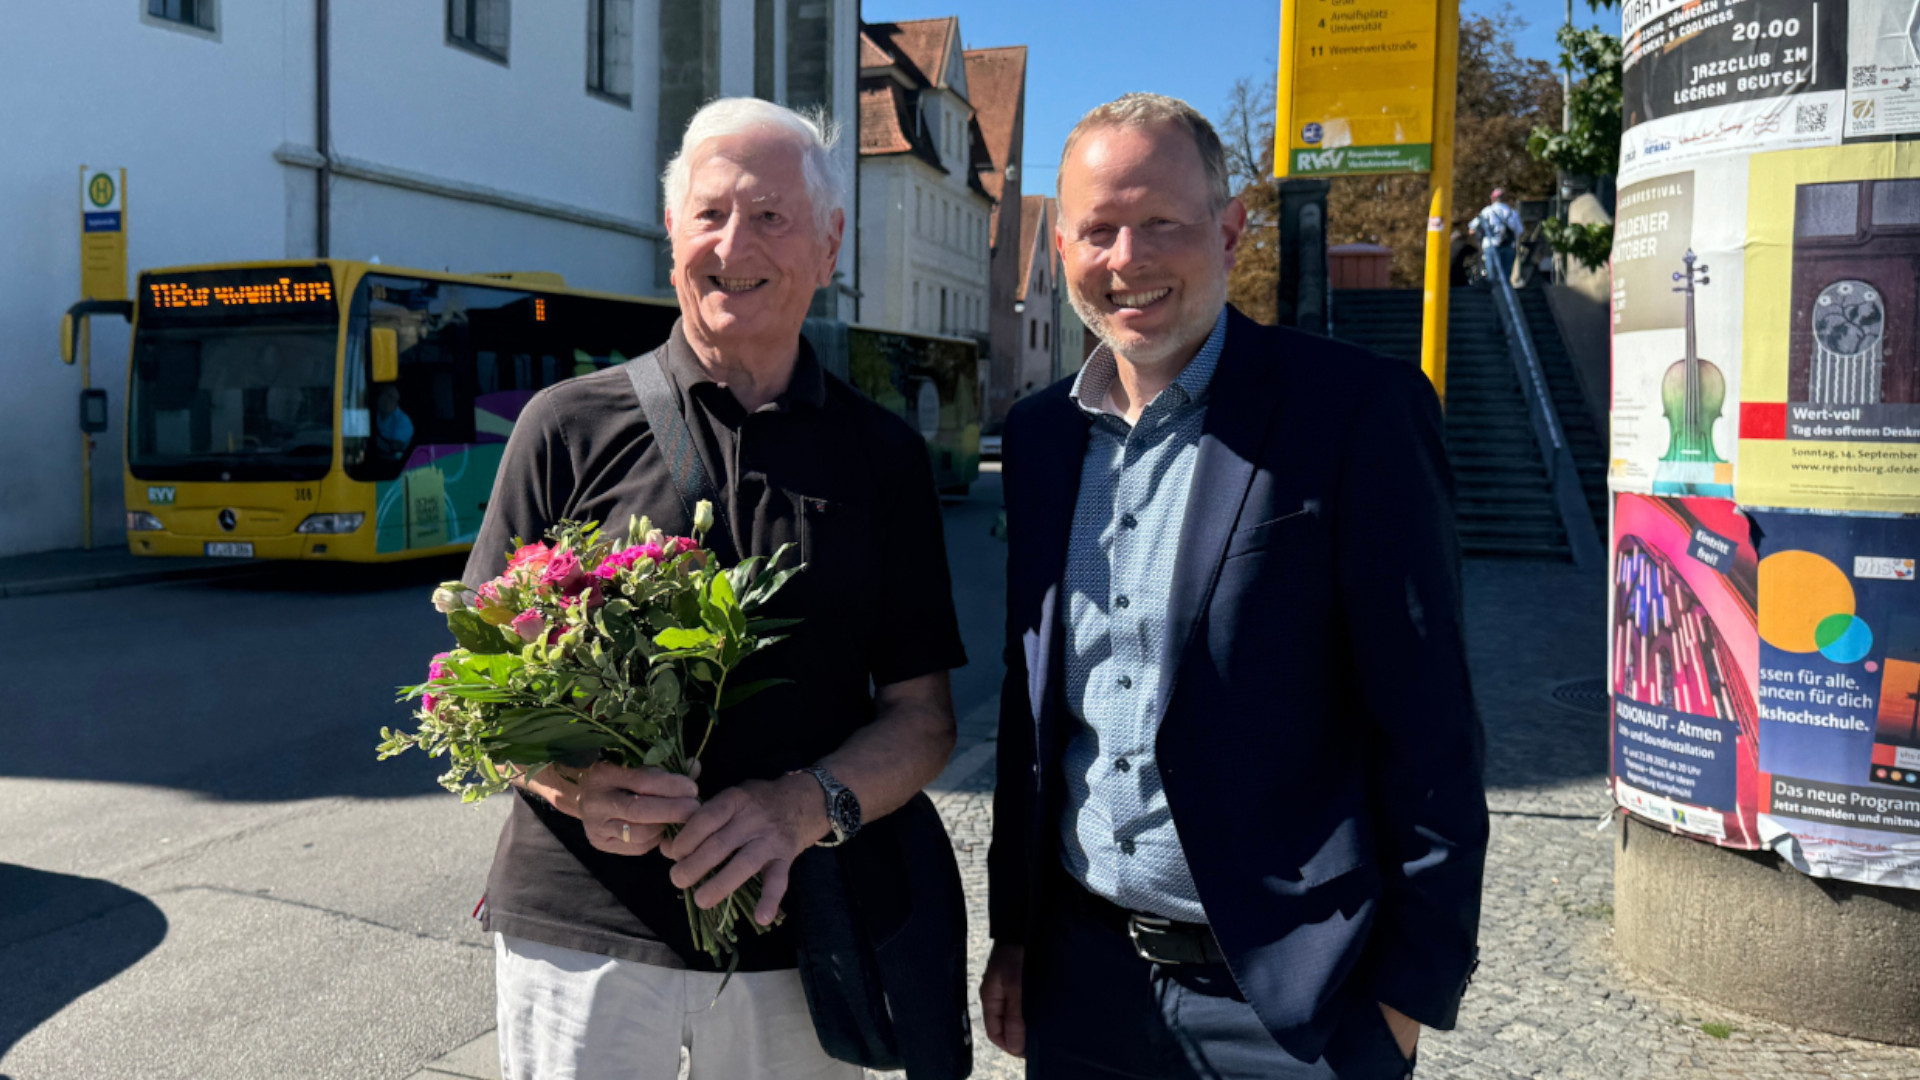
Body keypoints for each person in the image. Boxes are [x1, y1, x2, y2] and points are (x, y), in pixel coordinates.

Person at [980, 93, 1488, 1079]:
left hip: (1297, 1004)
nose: (1127, 258)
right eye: (1097, 229)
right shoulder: (1041, 439)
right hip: (1085, 982)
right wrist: (1018, 928)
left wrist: (1405, 994)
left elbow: (1431, 722)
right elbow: (1032, 708)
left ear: (1229, 225)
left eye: (1161, 222)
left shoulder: (1353, 413)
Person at [463, 97, 968, 1079]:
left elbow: (922, 718)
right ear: (670, 236)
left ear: (828, 244)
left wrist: (799, 807)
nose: (733, 243)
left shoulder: (885, 459)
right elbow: (479, 694)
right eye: (709, 214)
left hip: (799, 940)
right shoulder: (565, 426)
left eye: (771, 216)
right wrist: (570, 783)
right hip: (580, 930)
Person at [1469, 188, 1524, 286]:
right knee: (1506, 276)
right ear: (1505, 199)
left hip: (1491, 245)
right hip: (1508, 246)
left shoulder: (1487, 211)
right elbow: (1519, 231)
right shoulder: (1512, 213)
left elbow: (1473, 227)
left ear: (1493, 199)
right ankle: (1506, 294)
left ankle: (1494, 294)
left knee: (1492, 275)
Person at [372, 384, 413, 461]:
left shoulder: (403, 421)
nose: (387, 400)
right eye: (385, 394)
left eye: (391, 397)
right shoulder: (372, 413)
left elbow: (395, 448)